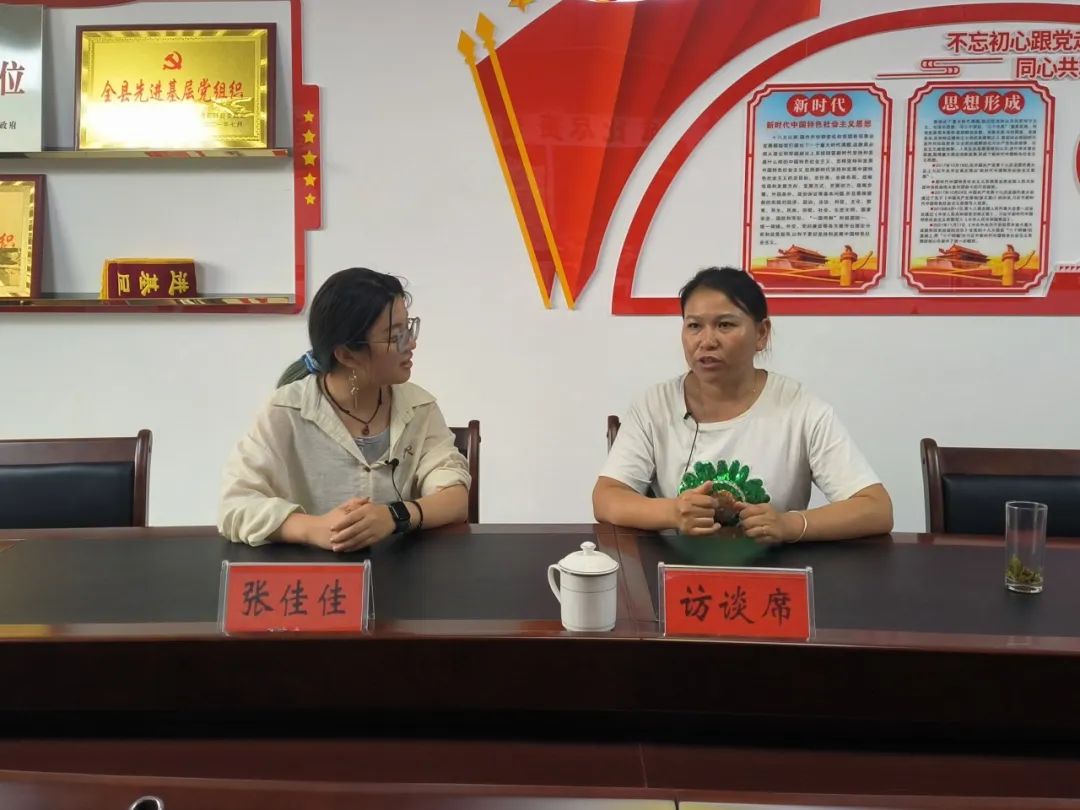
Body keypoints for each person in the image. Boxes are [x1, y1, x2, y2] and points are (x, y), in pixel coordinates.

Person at [593, 266, 892, 543]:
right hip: (676, 571)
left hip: (774, 571)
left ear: (761, 334)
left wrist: (789, 525)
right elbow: (606, 497)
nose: (707, 341)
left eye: (725, 325)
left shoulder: (800, 408)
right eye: (694, 325)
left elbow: (876, 508)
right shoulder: (654, 405)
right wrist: (672, 512)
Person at [219, 267, 470, 549]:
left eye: (408, 329)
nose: (411, 343)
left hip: (401, 570)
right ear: (347, 354)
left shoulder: (419, 407)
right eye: (394, 336)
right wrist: (313, 529)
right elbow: (235, 505)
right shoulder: (285, 411)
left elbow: (455, 498)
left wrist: (394, 516)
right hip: (313, 572)